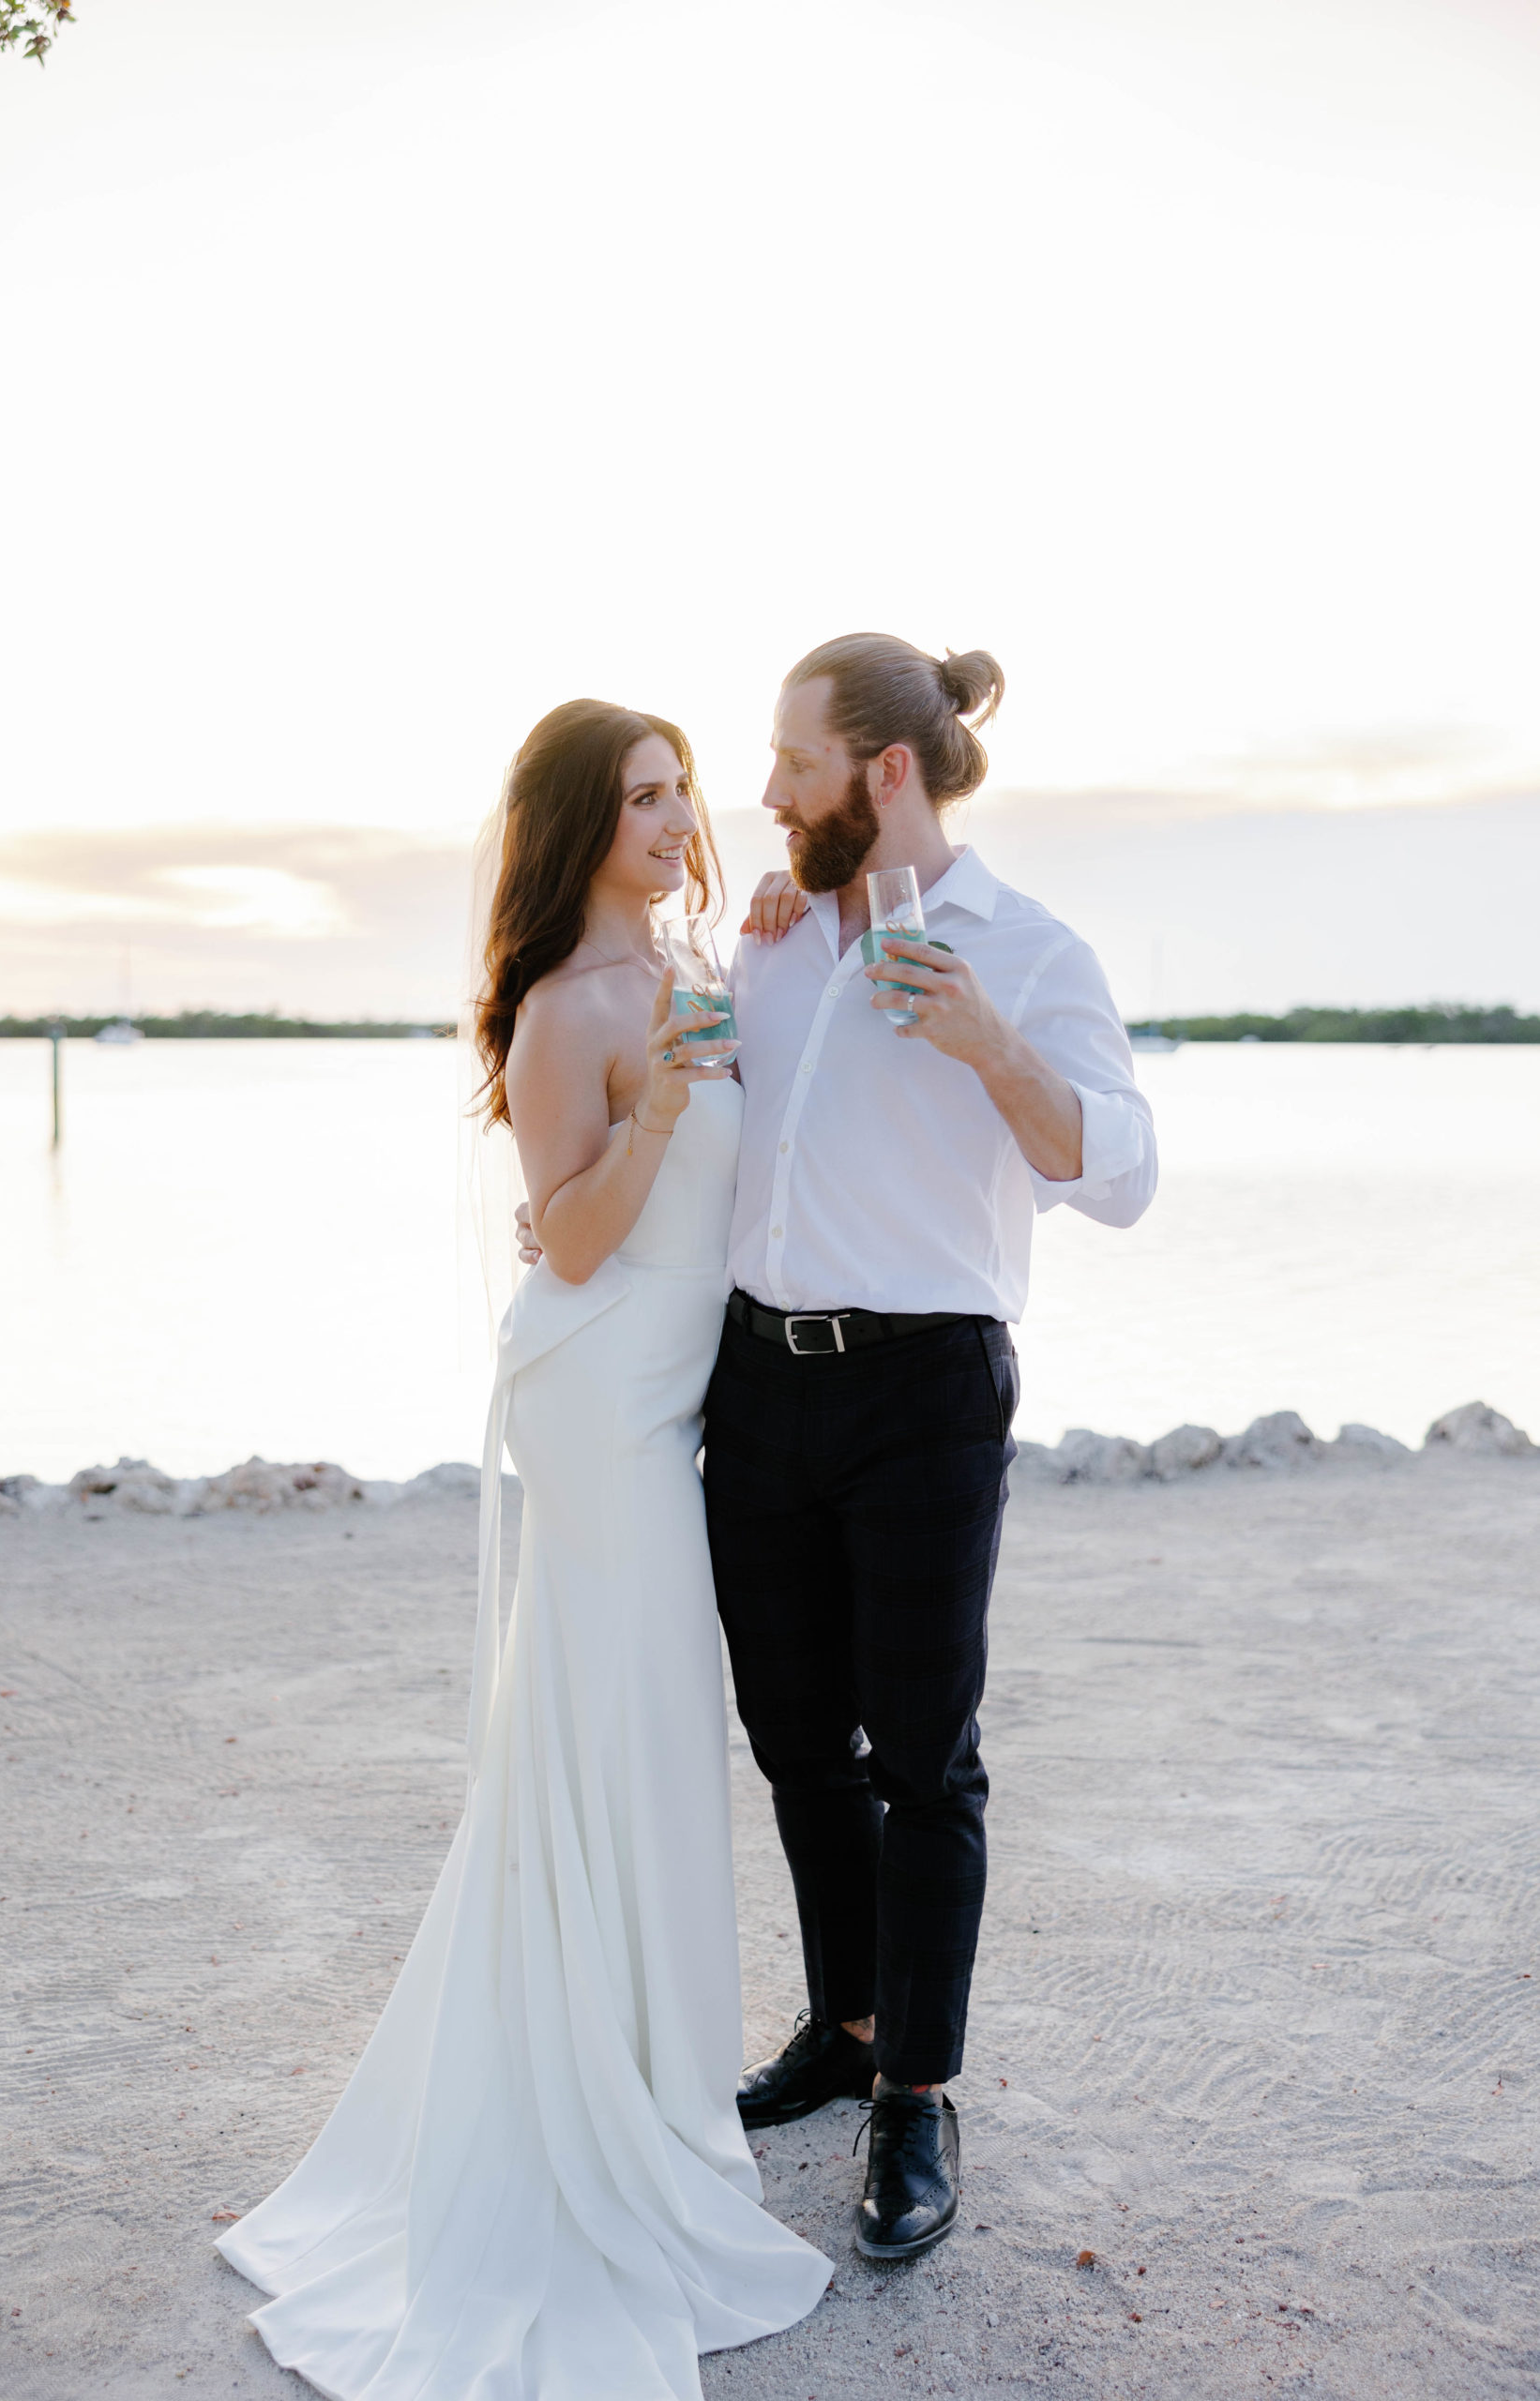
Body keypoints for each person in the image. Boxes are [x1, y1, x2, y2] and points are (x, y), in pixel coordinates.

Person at [215, 700, 831, 2401]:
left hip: (674, 1395)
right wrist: (646, 1119)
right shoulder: (571, 1004)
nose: (677, 812)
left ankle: (647, 2087)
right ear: (579, 824)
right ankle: (604, 2113)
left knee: (636, 1734)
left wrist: (761, 944)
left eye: (681, 786)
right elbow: (562, 1244)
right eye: (640, 795)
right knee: (621, 1728)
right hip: (603, 1398)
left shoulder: (699, 961)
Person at [694, 633, 1157, 2262]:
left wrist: (991, 1047)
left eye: (793, 765)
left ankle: (918, 2099)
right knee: (800, 1745)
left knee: (926, 1758)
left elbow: (1120, 1172)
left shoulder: (1025, 950)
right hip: (758, 1383)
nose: (765, 794)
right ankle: (844, 2033)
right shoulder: (772, 939)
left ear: (884, 774)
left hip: (925, 1393)